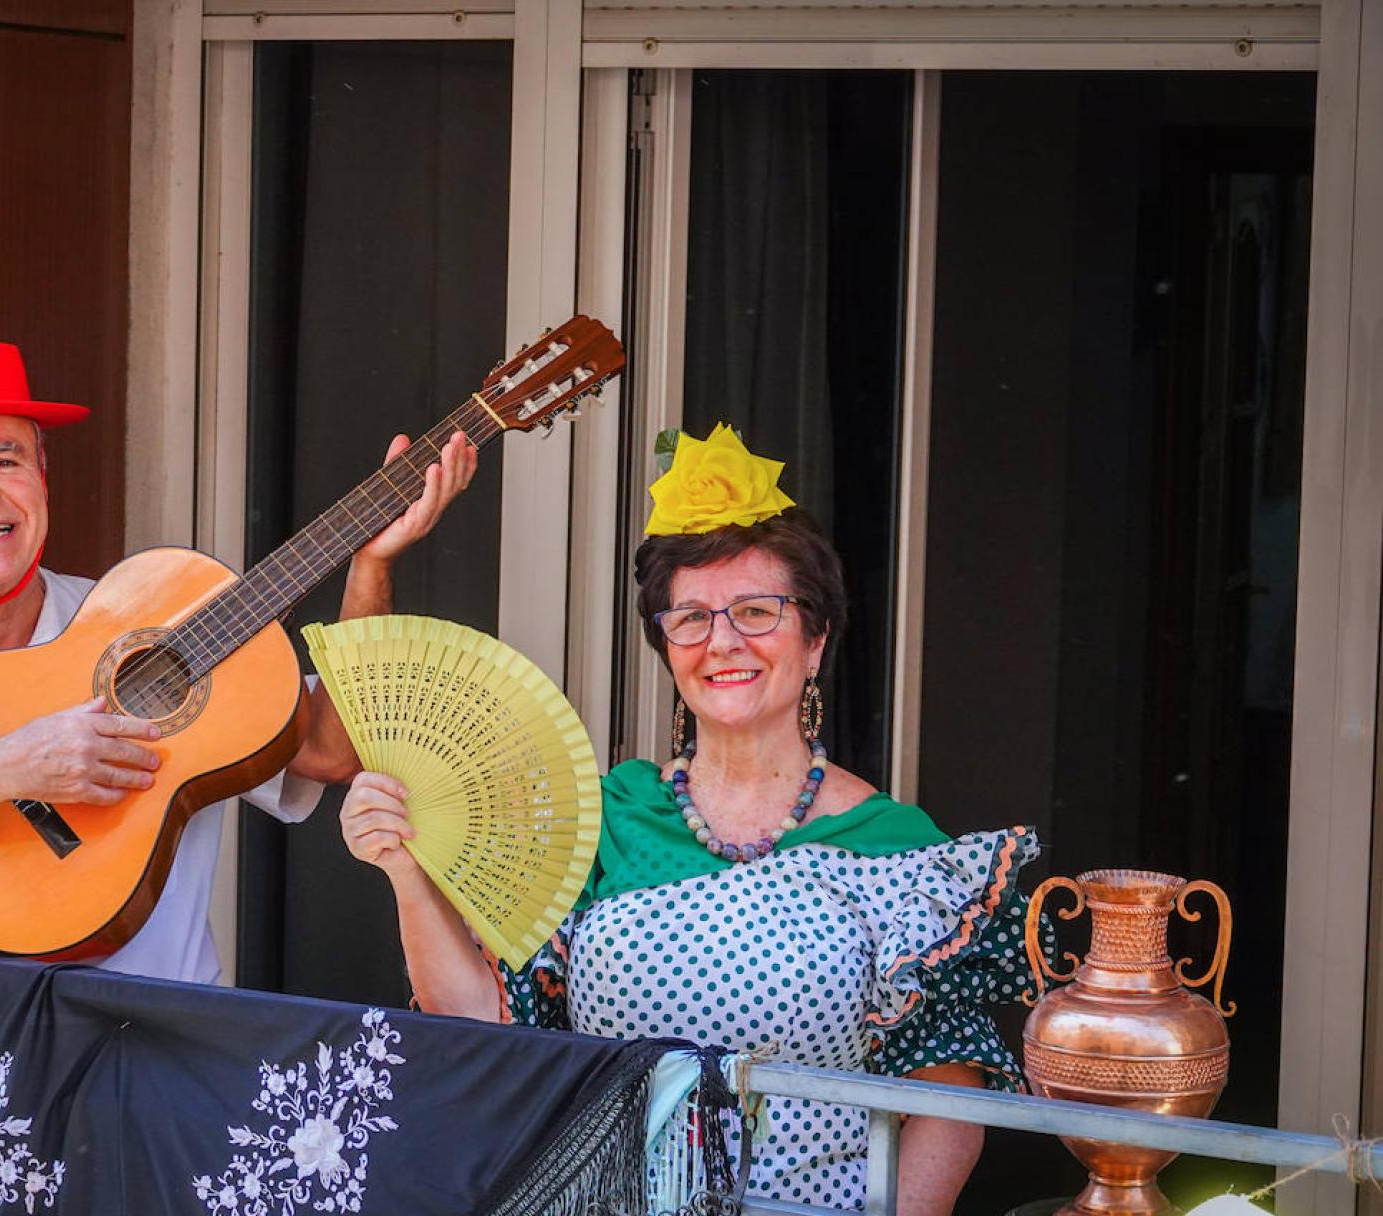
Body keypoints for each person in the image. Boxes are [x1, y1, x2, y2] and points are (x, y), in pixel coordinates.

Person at [340, 423, 1040, 1215]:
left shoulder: (900, 850)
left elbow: (948, 1106)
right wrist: (405, 870)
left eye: (756, 611)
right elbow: (478, 1019)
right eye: (691, 618)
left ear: (815, 640)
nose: (722, 641)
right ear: (667, 646)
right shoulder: (604, 821)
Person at [0, 339, 475, 982]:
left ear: (42, 477)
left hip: (156, 1046)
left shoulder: (148, 620)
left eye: (7, 460)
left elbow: (331, 749)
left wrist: (369, 568)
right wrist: (11, 764)